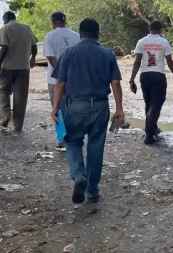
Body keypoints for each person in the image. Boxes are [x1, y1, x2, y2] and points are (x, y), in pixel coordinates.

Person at [50, 18, 124, 205]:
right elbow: (115, 83)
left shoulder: (69, 53)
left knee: (72, 141)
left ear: (80, 34)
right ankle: (92, 190)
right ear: (98, 35)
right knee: (96, 146)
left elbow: (60, 82)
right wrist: (119, 108)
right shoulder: (107, 54)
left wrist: (56, 106)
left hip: (76, 106)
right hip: (100, 106)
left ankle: (79, 177)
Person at [129, 20, 173, 145]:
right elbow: (169, 61)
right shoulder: (164, 42)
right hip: (158, 76)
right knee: (156, 105)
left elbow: (137, 62)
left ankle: (153, 128)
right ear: (160, 29)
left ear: (149, 29)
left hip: (145, 76)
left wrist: (132, 79)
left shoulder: (142, 42)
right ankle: (149, 134)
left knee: (149, 104)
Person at [0, 11, 38, 132]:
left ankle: (5, 116)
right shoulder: (26, 28)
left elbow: (4, 48)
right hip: (24, 67)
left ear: (6, 19)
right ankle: (18, 125)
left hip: (8, 67)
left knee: (3, 90)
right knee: (21, 95)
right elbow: (34, 46)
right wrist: (32, 59)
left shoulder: (5, 29)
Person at [43, 12, 80, 150]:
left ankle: (62, 140)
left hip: (54, 80)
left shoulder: (50, 36)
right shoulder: (76, 36)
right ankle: (73, 136)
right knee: (72, 107)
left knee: (57, 108)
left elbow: (51, 58)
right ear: (65, 21)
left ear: (53, 22)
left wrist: (61, 74)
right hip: (73, 79)